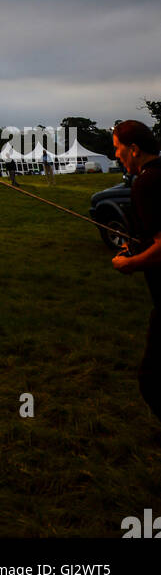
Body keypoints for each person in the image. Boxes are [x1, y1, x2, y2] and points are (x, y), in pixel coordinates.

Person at [109, 120, 161, 423]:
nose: (117, 155)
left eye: (117, 148)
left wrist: (130, 264)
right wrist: (137, 249)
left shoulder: (147, 183)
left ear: (134, 149)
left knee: (152, 381)